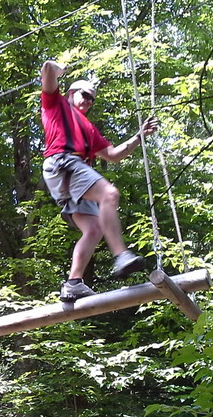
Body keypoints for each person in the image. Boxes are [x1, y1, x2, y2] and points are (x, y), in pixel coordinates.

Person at [39, 59, 159, 302]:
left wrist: (139, 136)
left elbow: (113, 155)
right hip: (63, 162)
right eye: (85, 95)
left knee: (94, 228)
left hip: (70, 173)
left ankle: (73, 283)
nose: (88, 101)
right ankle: (121, 255)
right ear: (71, 93)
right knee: (109, 194)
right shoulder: (56, 105)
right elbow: (48, 70)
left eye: (92, 99)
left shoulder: (89, 129)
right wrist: (59, 69)